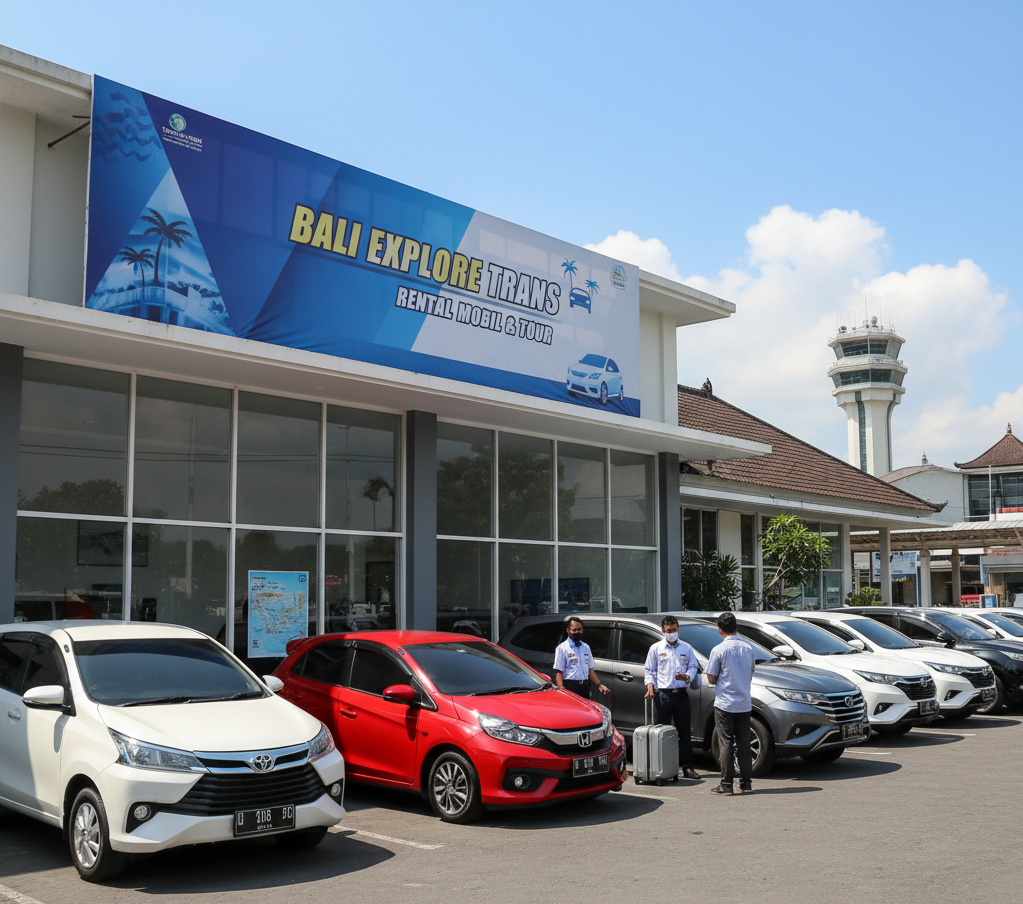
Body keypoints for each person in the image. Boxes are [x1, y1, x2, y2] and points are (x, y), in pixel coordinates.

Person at [643, 615, 700, 780]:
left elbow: (694, 665)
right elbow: (649, 670)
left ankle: (688, 767)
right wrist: (650, 687)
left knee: (684, 732)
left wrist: (688, 676)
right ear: (663, 631)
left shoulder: (687, 648)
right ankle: (663, 768)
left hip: (681, 694)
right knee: (663, 733)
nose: (671, 633)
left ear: (678, 629)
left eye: (673, 630)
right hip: (663, 695)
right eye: (668, 631)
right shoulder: (656, 648)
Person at [706, 611, 756, 795]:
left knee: (725, 743)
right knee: (743, 743)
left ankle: (726, 783)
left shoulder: (718, 650)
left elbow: (711, 678)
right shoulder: (748, 649)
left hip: (725, 704)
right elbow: (750, 673)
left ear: (719, 630)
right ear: (736, 628)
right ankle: (746, 782)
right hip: (744, 703)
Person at [553, 617, 611, 699]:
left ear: (582, 630)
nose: (577, 632)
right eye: (574, 630)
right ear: (568, 630)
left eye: (579, 629)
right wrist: (562, 690)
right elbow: (559, 672)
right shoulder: (562, 648)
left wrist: (599, 684)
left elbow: (590, 670)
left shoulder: (586, 647)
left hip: (584, 687)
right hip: (570, 687)